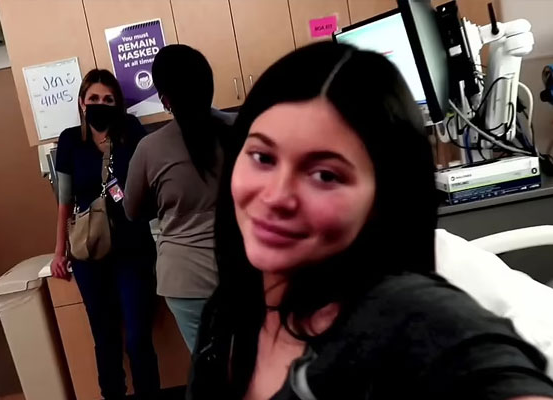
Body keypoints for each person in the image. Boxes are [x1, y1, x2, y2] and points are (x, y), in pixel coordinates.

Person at [187, 42, 553, 399]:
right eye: (263, 157)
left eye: (325, 175)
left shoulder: (404, 318)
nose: (276, 196)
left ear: (384, 198)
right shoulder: (229, 311)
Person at [49, 70, 160, 400]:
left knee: (138, 337)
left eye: (108, 99)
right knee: (105, 337)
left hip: (133, 249)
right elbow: (64, 200)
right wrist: (59, 251)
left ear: (118, 104)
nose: (100, 104)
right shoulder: (70, 140)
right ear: (82, 103)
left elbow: (151, 181)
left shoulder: (132, 131)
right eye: (94, 98)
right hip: (90, 252)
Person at [123, 45, 235, 352]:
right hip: (244, 269)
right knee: (259, 364)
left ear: (164, 99)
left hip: (186, 280)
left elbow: (132, 211)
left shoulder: (150, 149)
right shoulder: (242, 128)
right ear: (209, 85)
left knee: (209, 370)